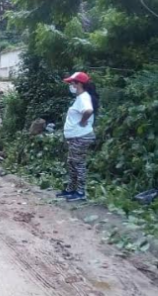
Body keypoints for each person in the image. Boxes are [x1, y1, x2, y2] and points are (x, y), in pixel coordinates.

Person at [56, 72, 99, 202]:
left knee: (78, 163)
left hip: (81, 136)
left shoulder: (84, 98)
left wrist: (83, 121)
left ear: (79, 84)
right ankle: (71, 189)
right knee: (72, 162)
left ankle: (80, 192)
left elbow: (88, 110)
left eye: (72, 83)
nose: (70, 85)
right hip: (77, 137)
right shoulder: (80, 97)